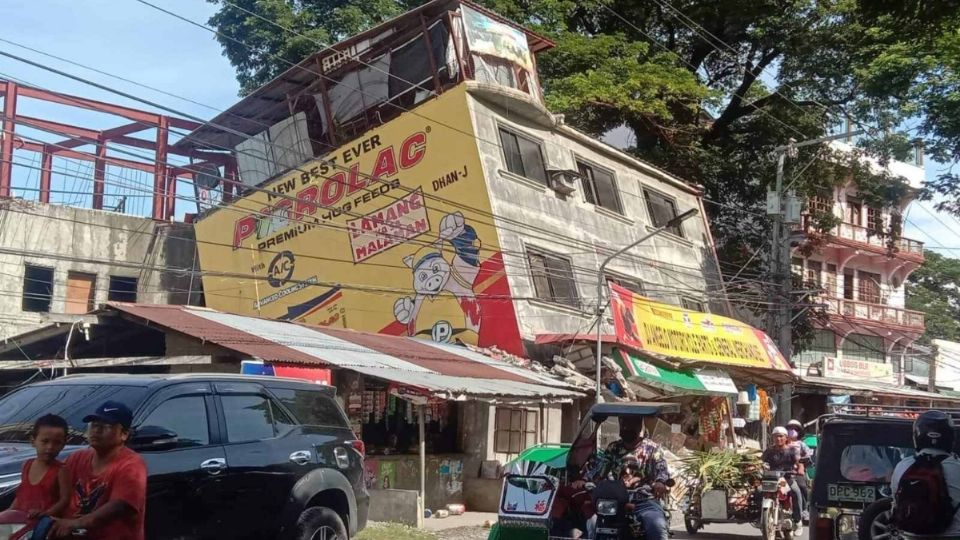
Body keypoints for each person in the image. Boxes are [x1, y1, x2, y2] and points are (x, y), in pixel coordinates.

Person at [50, 401, 147, 540]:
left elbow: (119, 506)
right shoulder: (76, 458)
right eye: (94, 425)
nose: (96, 430)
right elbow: (51, 487)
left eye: (106, 426)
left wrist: (75, 523)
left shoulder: (131, 464)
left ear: (124, 434)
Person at [585, 417, 671, 540]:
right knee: (594, 524)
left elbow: (661, 469)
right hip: (614, 501)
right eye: (624, 425)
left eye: (632, 425)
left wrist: (660, 482)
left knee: (656, 526)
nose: (627, 428)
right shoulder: (613, 448)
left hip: (644, 500)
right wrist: (585, 480)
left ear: (639, 427)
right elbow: (599, 470)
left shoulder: (652, 448)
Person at [890, 410, 960, 537]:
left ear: (917, 436)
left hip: (910, 535)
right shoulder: (957, 466)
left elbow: (896, 502)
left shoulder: (902, 466)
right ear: (950, 438)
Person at [11, 414, 71, 520]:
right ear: (33, 441)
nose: (50, 447)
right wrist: (9, 513)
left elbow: (65, 500)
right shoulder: (27, 465)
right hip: (22, 522)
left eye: (57, 443)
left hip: (45, 526)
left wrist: (46, 513)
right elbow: (21, 495)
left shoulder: (61, 470)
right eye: (45, 441)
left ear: (63, 445)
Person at [762, 426, 804, 533]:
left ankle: (798, 521)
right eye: (775, 436)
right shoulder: (769, 451)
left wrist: (800, 469)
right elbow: (761, 461)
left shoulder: (792, 450)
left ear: (786, 438)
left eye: (780, 436)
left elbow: (799, 462)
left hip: (787, 479)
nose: (778, 439)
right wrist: (758, 466)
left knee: (796, 492)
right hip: (772, 479)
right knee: (757, 491)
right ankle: (760, 517)